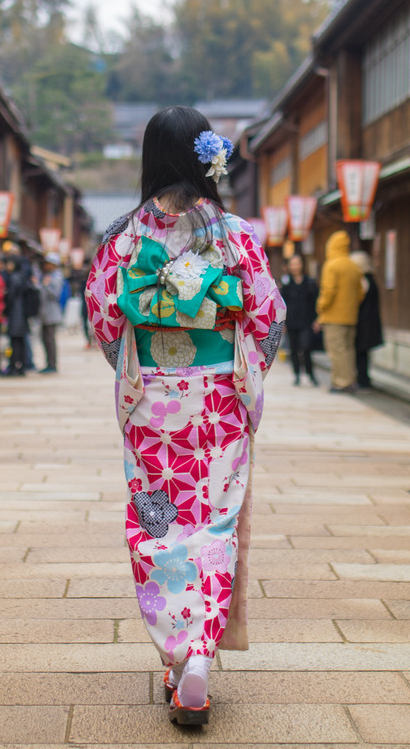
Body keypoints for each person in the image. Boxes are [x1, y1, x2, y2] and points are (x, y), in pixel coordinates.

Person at [85, 106, 284, 728]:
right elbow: (269, 316)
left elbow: (104, 319)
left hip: (152, 415)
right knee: (214, 523)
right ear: (207, 159)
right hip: (219, 407)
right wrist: (243, 368)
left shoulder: (123, 237)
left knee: (157, 520)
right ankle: (200, 654)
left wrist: (139, 365)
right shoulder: (235, 235)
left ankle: (178, 653)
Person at [314, 230, 362, 394]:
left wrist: (320, 307)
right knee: (348, 350)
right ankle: (348, 380)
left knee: (336, 351)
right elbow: (360, 292)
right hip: (351, 316)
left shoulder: (332, 265)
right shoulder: (353, 266)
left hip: (334, 316)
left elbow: (328, 291)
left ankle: (342, 382)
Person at [278, 253, 319, 387]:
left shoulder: (310, 282)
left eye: (298, 263)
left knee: (306, 347)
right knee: (294, 349)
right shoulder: (285, 282)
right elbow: (280, 303)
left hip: (307, 320)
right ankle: (296, 375)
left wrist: (317, 320)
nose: (295, 266)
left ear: (302, 265)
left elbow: (316, 302)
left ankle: (310, 374)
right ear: (289, 266)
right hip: (291, 321)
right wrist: (282, 322)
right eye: (292, 264)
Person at [349, 250, 383, 390]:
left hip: (364, 322)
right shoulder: (371, 279)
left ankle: (363, 380)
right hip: (370, 322)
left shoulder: (363, 280)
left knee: (360, 352)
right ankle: (364, 379)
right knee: (363, 352)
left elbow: (358, 301)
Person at [4, 256, 38, 376]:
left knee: (15, 341)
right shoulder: (23, 276)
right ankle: (21, 366)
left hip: (16, 313)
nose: (7, 266)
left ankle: (14, 366)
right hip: (22, 313)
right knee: (21, 341)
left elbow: (10, 297)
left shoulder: (14, 277)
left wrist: (5, 308)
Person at [38, 252, 65, 373]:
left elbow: (56, 294)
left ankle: (52, 364)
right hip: (45, 313)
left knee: (49, 340)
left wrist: (46, 285)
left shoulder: (56, 276)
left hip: (52, 313)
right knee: (45, 339)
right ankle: (48, 363)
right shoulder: (48, 275)